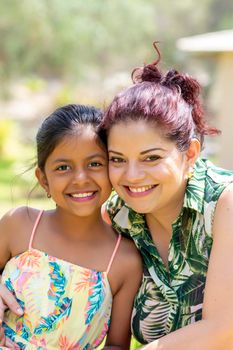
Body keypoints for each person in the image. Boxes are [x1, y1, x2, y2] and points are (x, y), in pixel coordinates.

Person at [99, 45, 233, 349]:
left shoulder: (225, 204)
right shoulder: (117, 216)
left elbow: (224, 329)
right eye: (118, 159)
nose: (131, 176)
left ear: (190, 155)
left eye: (150, 158)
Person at [0, 104, 142, 349]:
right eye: (63, 167)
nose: (80, 178)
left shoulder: (125, 260)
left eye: (95, 164)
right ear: (43, 179)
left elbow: (117, 345)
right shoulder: (18, 224)